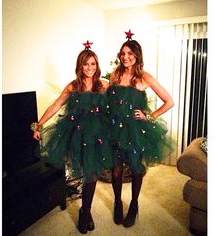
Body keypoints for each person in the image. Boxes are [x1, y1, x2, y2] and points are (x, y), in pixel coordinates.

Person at [31, 41, 113, 234]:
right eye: (86, 64)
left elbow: (117, 105)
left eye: (93, 64)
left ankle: (85, 211)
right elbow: (55, 106)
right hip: (77, 134)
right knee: (84, 173)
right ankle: (86, 209)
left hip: (97, 135)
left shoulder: (103, 85)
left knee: (91, 175)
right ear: (80, 66)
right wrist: (39, 124)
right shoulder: (73, 86)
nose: (90, 68)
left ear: (97, 65)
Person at [107, 30, 174, 228]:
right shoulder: (115, 75)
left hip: (135, 130)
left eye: (130, 54)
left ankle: (134, 205)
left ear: (137, 56)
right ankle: (118, 203)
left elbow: (169, 101)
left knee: (136, 169)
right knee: (116, 171)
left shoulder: (144, 77)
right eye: (123, 53)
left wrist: (149, 116)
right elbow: (111, 101)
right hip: (114, 129)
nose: (126, 57)